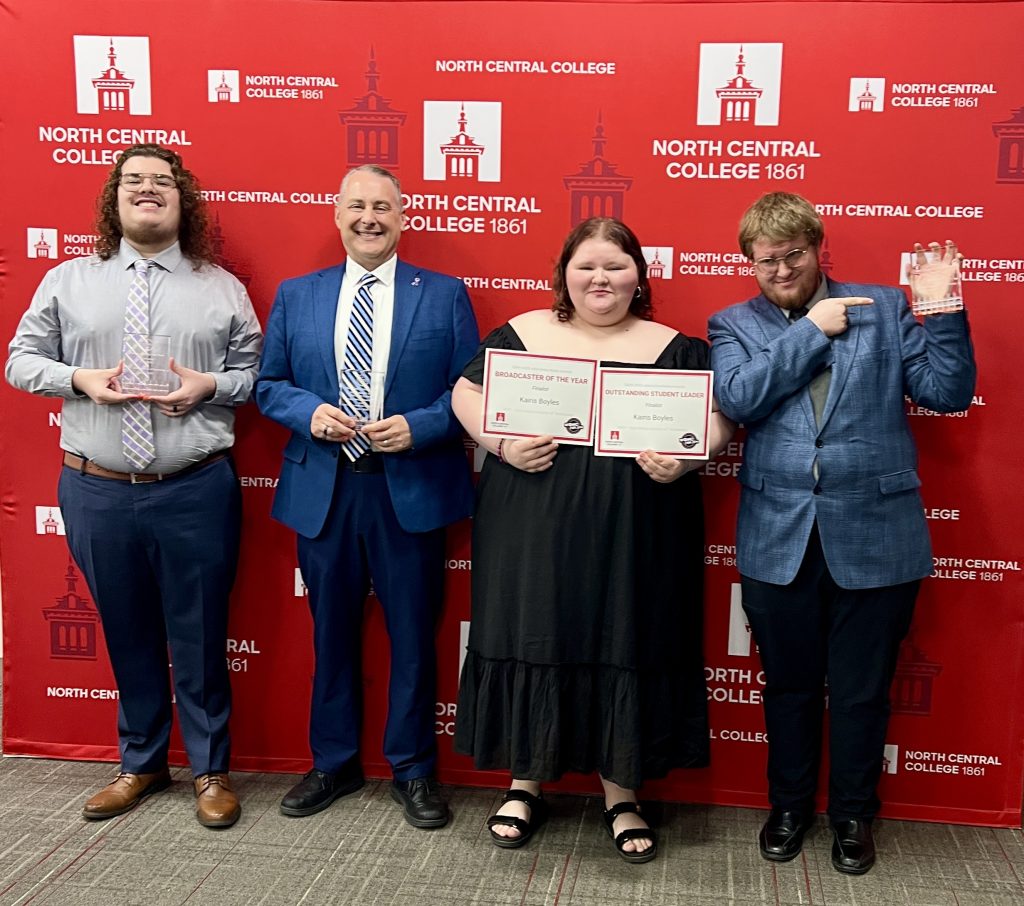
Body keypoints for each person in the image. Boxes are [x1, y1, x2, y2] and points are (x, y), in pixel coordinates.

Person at [708, 192, 976, 874]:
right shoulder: (733, 324)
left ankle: (853, 814)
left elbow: (945, 392)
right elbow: (738, 399)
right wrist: (812, 330)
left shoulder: (883, 308)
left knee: (862, 690)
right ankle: (790, 806)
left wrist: (941, 311)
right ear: (749, 263)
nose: (780, 271)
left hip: (878, 532)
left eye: (792, 255)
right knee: (790, 688)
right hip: (779, 536)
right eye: (765, 261)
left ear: (817, 247)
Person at [452, 217, 734, 863]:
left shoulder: (675, 347)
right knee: (534, 631)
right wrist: (500, 444)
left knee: (625, 634)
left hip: (640, 529)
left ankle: (622, 794)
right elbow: (464, 395)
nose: (600, 279)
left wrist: (693, 457)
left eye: (615, 266)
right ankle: (524, 785)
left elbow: (718, 417)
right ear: (563, 275)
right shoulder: (522, 335)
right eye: (586, 267)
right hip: (531, 520)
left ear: (639, 276)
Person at [6, 144, 263, 828]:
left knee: (202, 633)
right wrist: (79, 380)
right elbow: (20, 362)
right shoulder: (67, 281)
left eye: (162, 182)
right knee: (126, 630)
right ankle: (142, 762)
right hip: (97, 489)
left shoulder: (221, 288)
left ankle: (211, 771)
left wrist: (212, 387)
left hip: (194, 485)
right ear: (114, 200)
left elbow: (253, 376)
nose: (147, 190)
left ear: (184, 202)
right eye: (133, 181)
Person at [255, 164, 479, 829]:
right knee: (331, 634)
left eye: (382, 206)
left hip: (407, 490)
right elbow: (270, 384)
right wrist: (308, 413)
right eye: (356, 205)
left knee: (414, 637)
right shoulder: (298, 295)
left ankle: (412, 769)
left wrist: (422, 425)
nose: (369, 218)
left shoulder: (443, 295)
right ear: (336, 213)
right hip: (325, 489)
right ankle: (333, 761)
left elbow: (470, 389)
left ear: (403, 215)